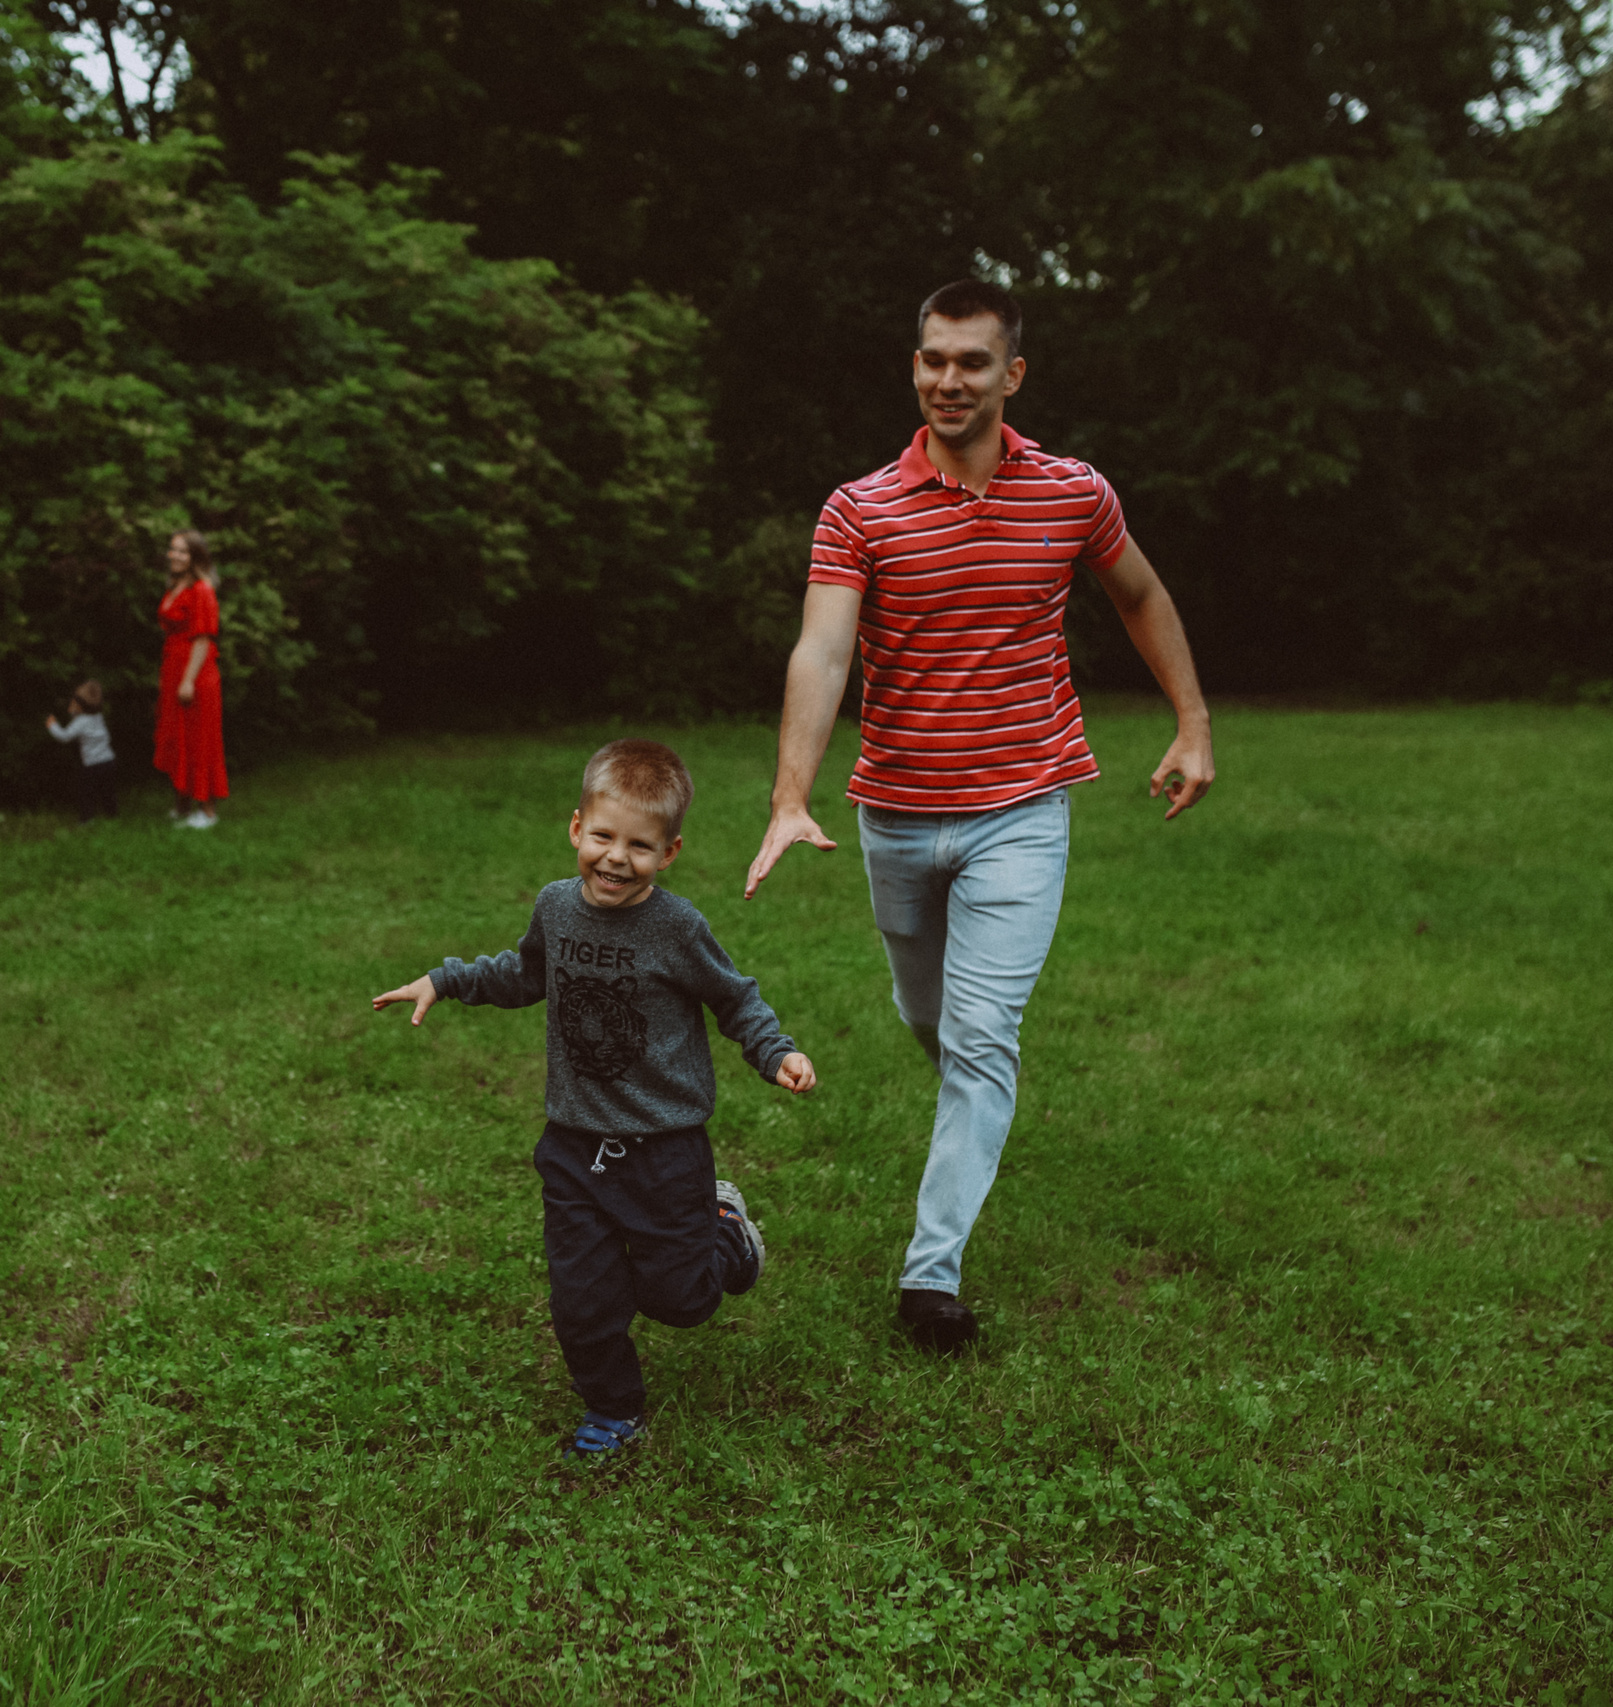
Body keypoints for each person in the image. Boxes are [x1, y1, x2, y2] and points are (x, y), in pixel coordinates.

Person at [743, 277, 1215, 1357]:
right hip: (898, 817)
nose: (947, 380)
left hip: (1023, 809)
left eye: (971, 361)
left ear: (1013, 373)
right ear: (914, 367)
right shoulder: (859, 509)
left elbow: (1137, 593)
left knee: (979, 1033)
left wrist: (1190, 721)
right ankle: (970, 1092)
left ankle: (931, 1272)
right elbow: (821, 650)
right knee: (931, 1022)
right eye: (931, 360)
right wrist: (788, 798)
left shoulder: (1071, 493)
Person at [374, 739, 818, 1460]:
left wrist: (777, 1052)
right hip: (575, 1144)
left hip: (667, 1147)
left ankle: (724, 1229)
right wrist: (446, 980)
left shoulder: (677, 928)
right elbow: (524, 974)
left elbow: (732, 998)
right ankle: (615, 1408)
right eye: (604, 836)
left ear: (669, 851)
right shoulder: (556, 907)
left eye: (640, 845)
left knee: (680, 1298)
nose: (617, 857)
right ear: (576, 827)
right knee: (581, 1298)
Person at [153, 528, 227, 829]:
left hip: (196, 672)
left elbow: (203, 638)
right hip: (174, 666)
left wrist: (187, 680)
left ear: (196, 556)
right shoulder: (176, 584)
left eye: (183, 551)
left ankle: (206, 811)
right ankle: (182, 805)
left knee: (198, 738)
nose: (175, 555)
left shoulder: (202, 589)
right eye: (173, 549)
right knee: (177, 735)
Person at [44, 680, 118, 823]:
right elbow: (80, 722)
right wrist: (74, 712)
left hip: (92, 765)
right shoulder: (98, 717)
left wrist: (52, 726)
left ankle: (87, 820)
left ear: (79, 705)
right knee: (108, 793)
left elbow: (65, 736)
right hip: (108, 761)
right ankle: (112, 816)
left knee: (87, 793)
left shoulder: (81, 722)